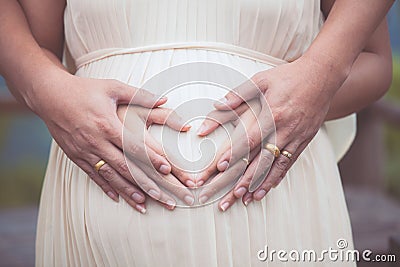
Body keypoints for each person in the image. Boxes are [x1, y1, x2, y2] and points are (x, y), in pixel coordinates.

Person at [0, 0, 393, 266]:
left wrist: (319, 77)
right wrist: (46, 89)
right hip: (102, 225)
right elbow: (31, 49)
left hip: (282, 213)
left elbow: (374, 63)